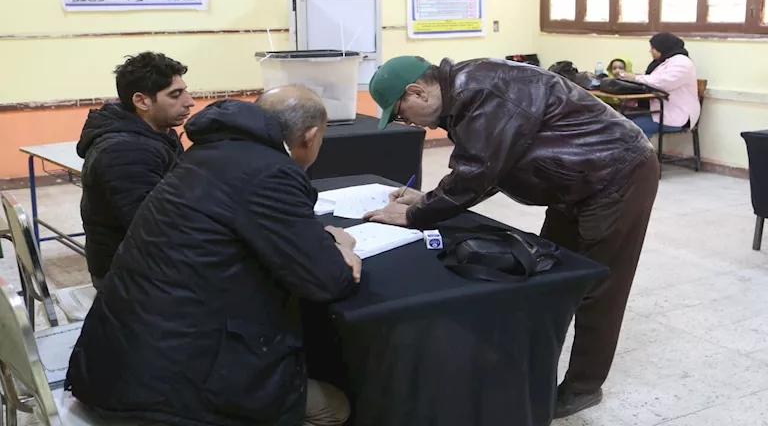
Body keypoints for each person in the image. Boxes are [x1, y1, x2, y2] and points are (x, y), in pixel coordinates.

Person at [363, 56, 659, 418]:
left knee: (599, 287)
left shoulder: (483, 91)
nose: (406, 122)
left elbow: (477, 172)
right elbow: (489, 165)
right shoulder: (464, 96)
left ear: (418, 92)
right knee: (552, 276)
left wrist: (415, 214)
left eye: (399, 113)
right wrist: (428, 200)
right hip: (576, 181)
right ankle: (532, 372)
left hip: (618, 175)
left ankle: (583, 387)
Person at [66, 87, 360, 426]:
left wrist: (321, 240)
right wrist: (340, 249)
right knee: (335, 406)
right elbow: (327, 281)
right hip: (163, 393)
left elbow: (242, 228)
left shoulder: (206, 153)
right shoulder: (271, 172)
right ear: (311, 137)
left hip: (111, 363)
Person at [77, 51, 195, 288]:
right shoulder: (125, 151)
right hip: (127, 278)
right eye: (175, 95)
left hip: (147, 261)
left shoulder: (160, 132)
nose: (189, 101)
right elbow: (153, 229)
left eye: (185, 91)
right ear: (142, 101)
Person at [620, 33, 700, 138]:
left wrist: (635, 77)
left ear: (662, 47)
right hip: (659, 111)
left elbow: (663, 83)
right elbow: (652, 79)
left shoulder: (682, 62)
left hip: (677, 115)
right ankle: (640, 147)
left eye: (653, 48)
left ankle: (641, 148)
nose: (650, 51)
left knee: (630, 127)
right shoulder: (664, 61)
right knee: (619, 120)